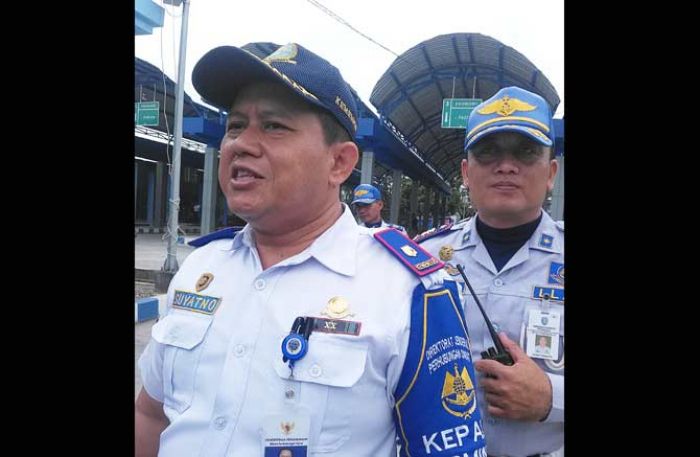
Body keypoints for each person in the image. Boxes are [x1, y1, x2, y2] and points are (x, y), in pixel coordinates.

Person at [135, 42, 486, 457]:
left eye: (273, 126)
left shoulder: (412, 289)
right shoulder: (201, 267)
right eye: (234, 125)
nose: (241, 144)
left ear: (339, 163)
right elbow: (152, 414)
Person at [417, 86, 564, 456]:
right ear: (466, 172)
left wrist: (551, 398)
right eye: (488, 152)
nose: (506, 165)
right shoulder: (422, 258)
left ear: (550, 172)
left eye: (525, 151)